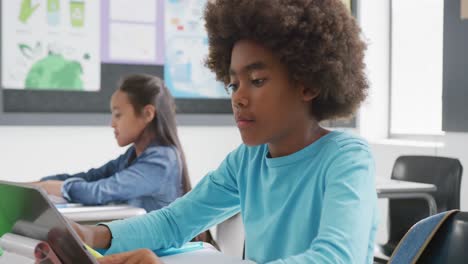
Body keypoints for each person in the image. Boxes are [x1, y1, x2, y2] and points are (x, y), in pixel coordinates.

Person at [74, 0, 378, 263]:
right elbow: (175, 221)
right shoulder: (247, 160)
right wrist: (91, 234)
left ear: (308, 83)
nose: (238, 98)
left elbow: (335, 258)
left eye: (257, 80)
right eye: (233, 84)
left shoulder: (347, 158)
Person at [33, 74, 191, 213]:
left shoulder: (162, 160)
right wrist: (42, 183)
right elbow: (91, 177)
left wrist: (60, 188)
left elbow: (101, 191)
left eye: (118, 115)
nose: (112, 124)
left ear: (147, 114)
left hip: (155, 247)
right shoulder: (132, 156)